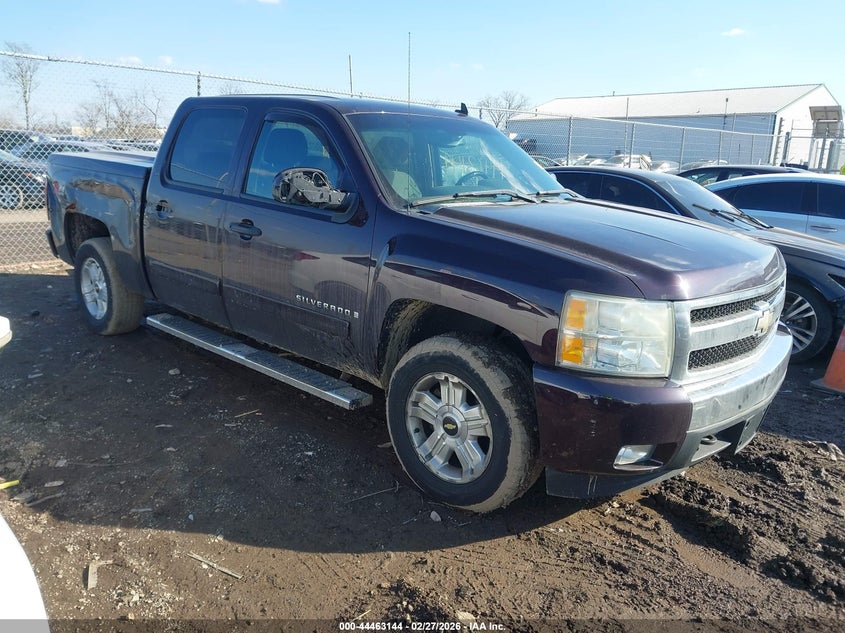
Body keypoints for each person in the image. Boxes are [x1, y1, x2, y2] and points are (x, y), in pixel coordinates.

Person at [372, 136, 421, 201]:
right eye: (407, 153)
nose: (409, 156)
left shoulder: (406, 180)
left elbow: (418, 204)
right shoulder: (405, 179)